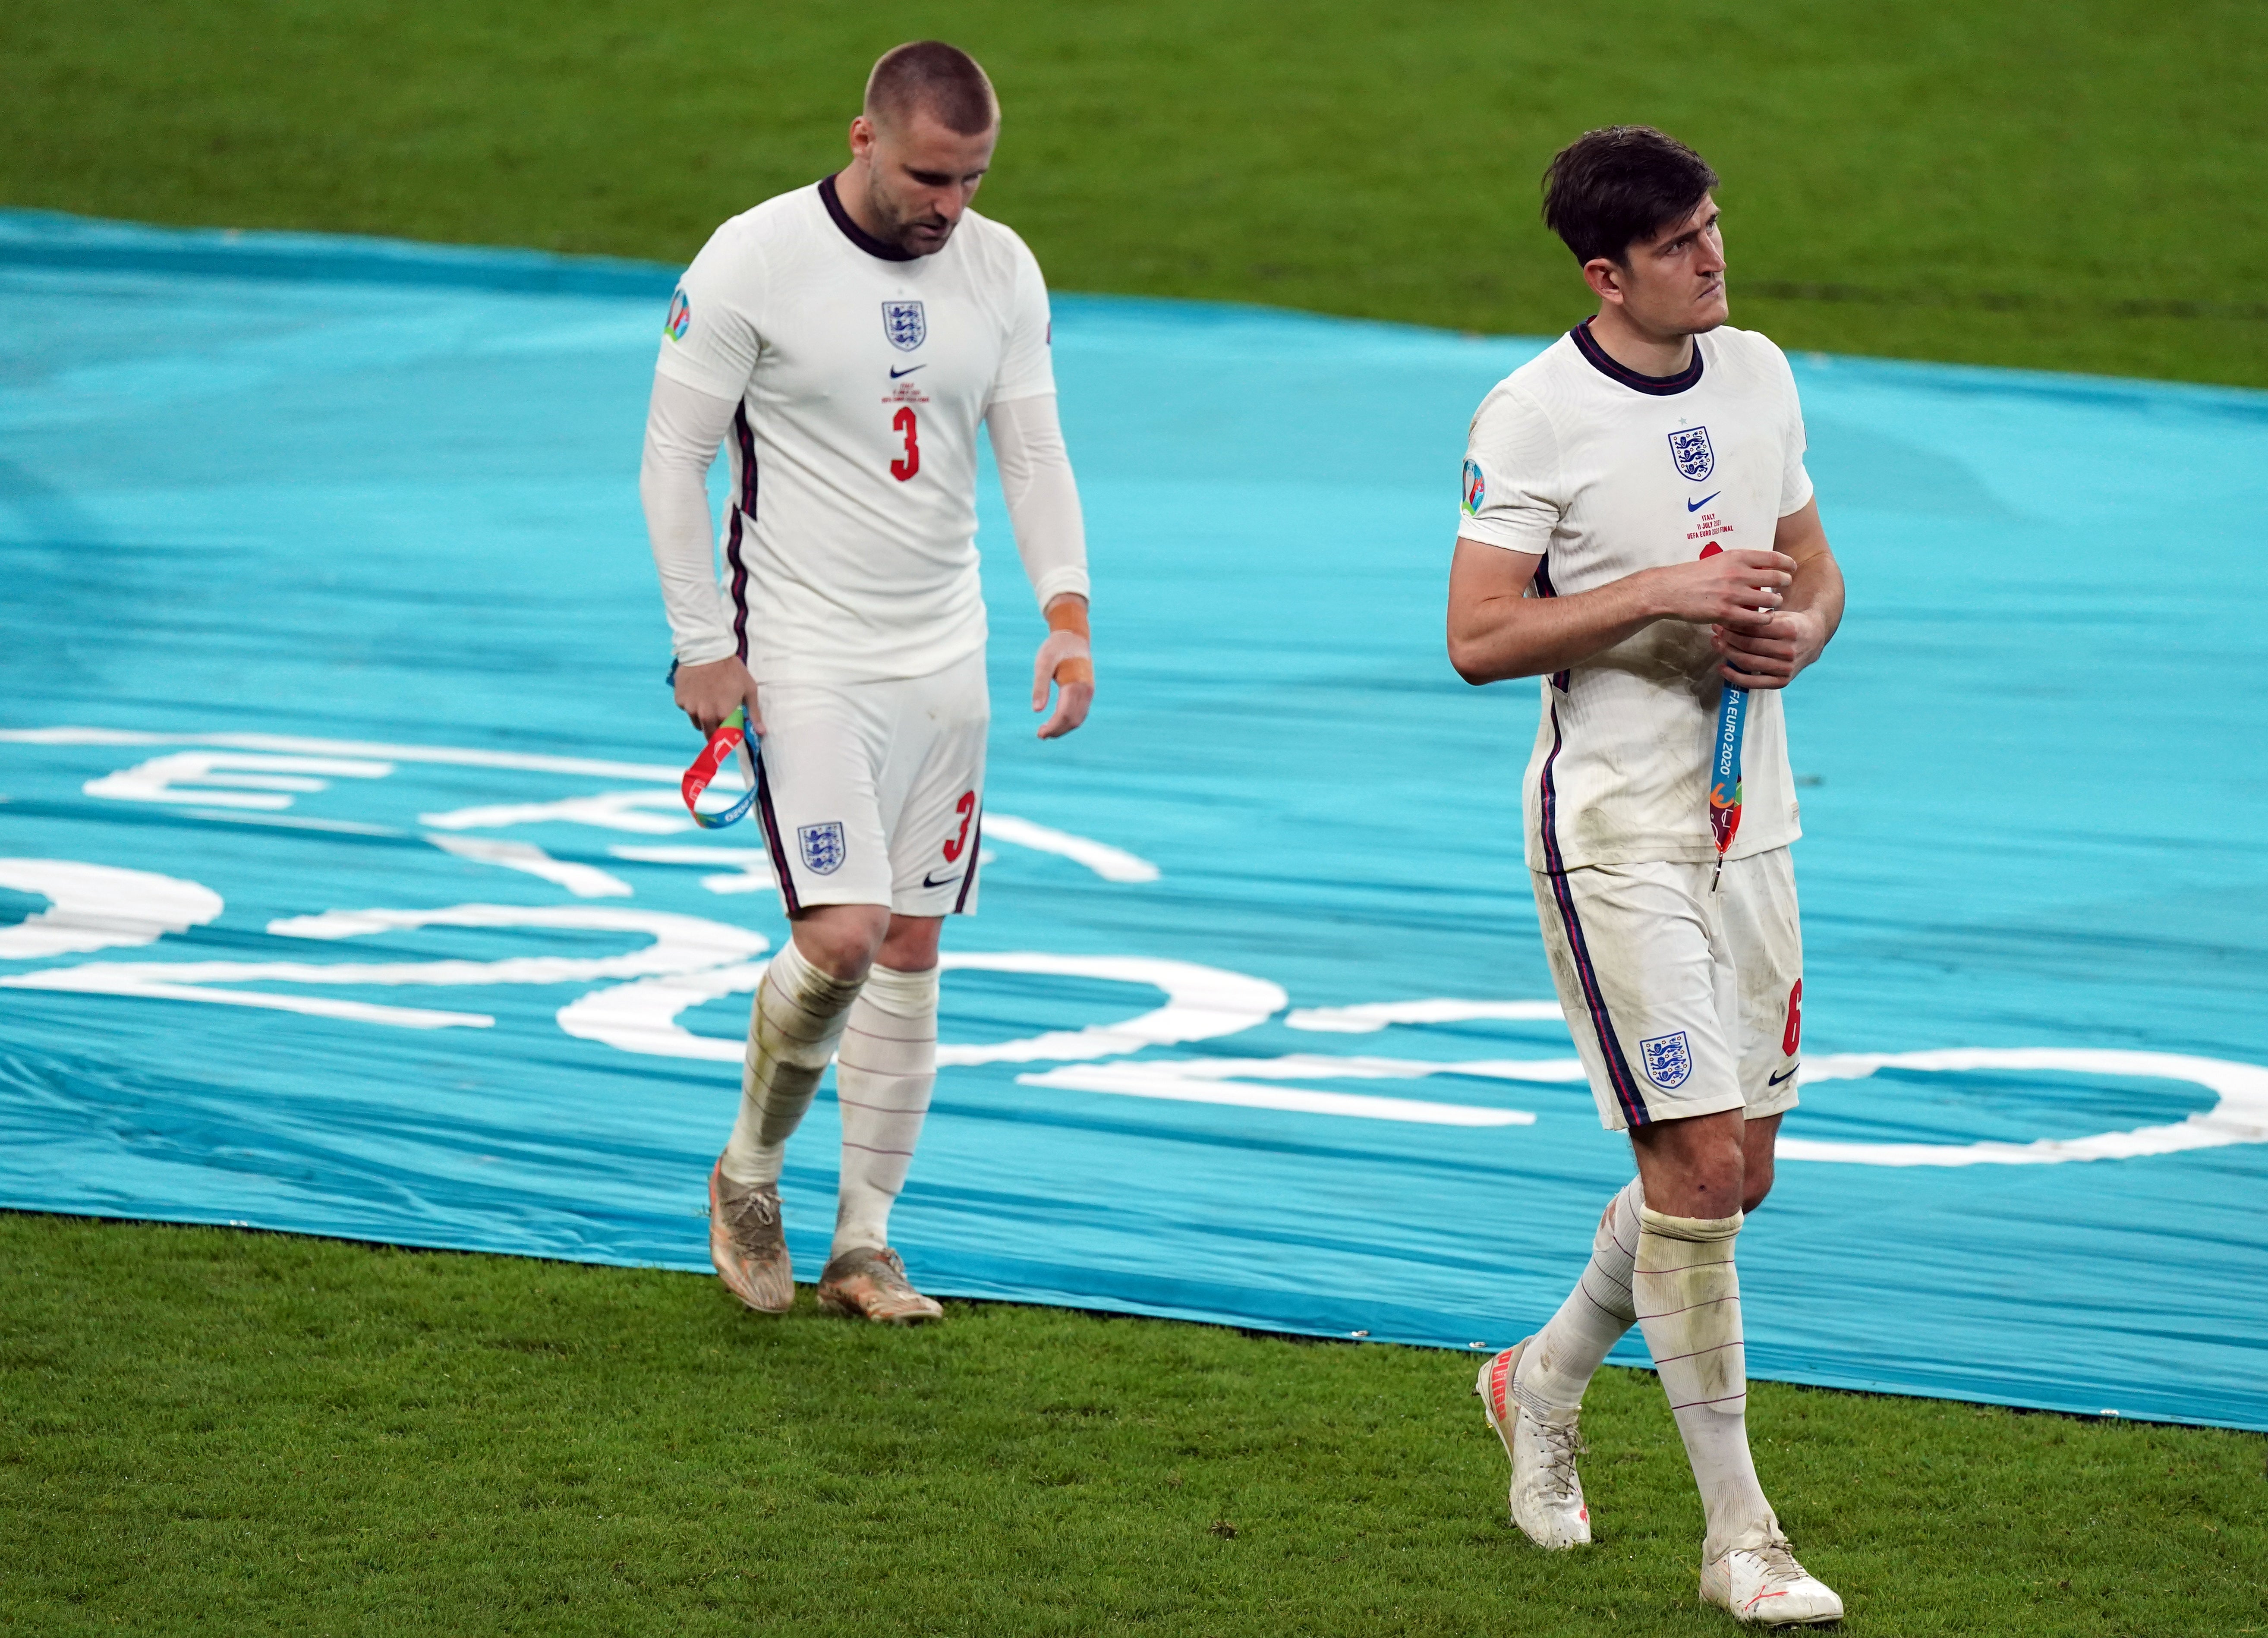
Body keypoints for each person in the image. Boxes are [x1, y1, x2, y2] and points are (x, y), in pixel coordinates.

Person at [1447, 126, 1847, 1625]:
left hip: (1755, 820)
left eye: (1716, 227)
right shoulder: (1535, 414)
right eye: (1682, 244)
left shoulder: (1760, 371)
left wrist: (1795, 632)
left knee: (1735, 1175)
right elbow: (1479, 635)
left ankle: (1537, 1382)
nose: (1714, 257)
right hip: (1614, 829)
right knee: (1689, 1167)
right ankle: (1741, 1536)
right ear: (1606, 275)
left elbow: (1815, 570)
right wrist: (1663, 596)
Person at [638, 41, 1093, 1326]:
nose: (951, 205)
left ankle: (865, 1244)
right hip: (805, 652)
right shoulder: (755, 260)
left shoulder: (1000, 268)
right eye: (930, 176)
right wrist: (700, 643)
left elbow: (1035, 449)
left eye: (974, 179)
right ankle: (749, 1170)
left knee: (911, 941)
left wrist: (1067, 615)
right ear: (863, 141)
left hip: (945, 654)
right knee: (838, 937)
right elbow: (674, 461)